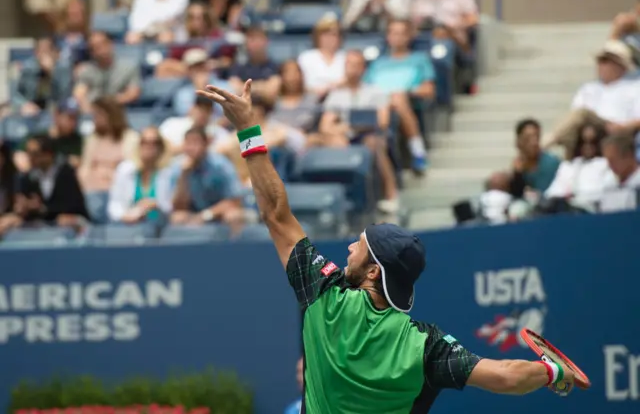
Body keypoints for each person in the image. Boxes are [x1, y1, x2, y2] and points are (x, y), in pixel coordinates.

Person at [197, 79, 576, 412]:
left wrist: (248, 128)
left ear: (374, 270)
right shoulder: (424, 345)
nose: (348, 247)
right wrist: (552, 371)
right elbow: (507, 376)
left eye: (359, 245)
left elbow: (276, 214)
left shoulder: (324, 294)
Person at [321, 50, 399, 213]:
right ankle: (344, 199)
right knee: (333, 141)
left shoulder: (376, 92)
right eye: (349, 64)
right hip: (346, 136)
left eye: (357, 65)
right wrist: (344, 129)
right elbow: (325, 126)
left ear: (363, 69)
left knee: (373, 144)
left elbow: (382, 121)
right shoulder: (336, 95)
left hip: (371, 135)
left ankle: (391, 195)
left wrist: (353, 126)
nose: (352, 69)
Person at [364, 19, 432, 174]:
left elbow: (429, 90)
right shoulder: (377, 64)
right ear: (388, 36)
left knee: (398, 97)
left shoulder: (420, 60)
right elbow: (365, 88)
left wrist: (408, 91)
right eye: (394, 33)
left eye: (402, 33)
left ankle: (418, 152)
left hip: (403, 100)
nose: (398, 37)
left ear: (409, 36)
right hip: (375, 102)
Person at [170, 127, 243, 226]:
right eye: (188, 143)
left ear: (205, 145)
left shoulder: (220, 165)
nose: (191, 148)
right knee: (177, 217)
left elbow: (234, 201)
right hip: (193, 214)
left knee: (233, 216)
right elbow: (177, 207)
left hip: (218, 213)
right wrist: (184, 175)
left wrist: (205, 215)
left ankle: (233, 242)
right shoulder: (178, 167)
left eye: (195, 143)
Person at [17, 134, 88, 227]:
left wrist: (44, 208)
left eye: (35, 154)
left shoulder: (65, 173)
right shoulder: (28, 177)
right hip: (39, 221)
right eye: (28, 153)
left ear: (48, 154)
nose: (30, 158)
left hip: (66, 218)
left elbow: (73, 204)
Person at [108, 127, 174, 224]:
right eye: (144, 142)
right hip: (129, 226)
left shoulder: (169, 172)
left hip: (161, 227)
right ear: (138, 145)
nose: (149, 146)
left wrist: (156, 205)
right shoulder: (124, 170)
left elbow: (172, 206)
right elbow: (115, 204)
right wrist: (125, 216)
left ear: (161, 147)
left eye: (154, 143)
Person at [544, 123, 611, 207]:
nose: (587, 147)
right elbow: (552, 193)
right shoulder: (567, 166)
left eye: (592, 142)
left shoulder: (605, 164)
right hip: (565, 209)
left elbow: (602, 193)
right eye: (583, 142)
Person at [73, 31, 142, 111]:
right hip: (93, 111)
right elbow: (79, 94)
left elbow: (133, 93)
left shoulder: (128, 67)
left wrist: (109, 104)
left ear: (111, 44)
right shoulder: (86, 70)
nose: (102, 50)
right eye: (96, 48)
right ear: (91, 53)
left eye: (104, 44)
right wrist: (90, 111)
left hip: (119, 111)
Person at [510, 118, 561, 198]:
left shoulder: (551, 164)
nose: (534, 142)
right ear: (518, 142)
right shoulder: (519, 165)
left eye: (537, 137)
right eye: (528, 138)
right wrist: (517, 175)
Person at [298, 16, 346, 97]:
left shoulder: (345, 57)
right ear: (317, 37)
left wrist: (330, 88)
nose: (330, 39)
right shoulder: (306, 57)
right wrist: (315, 91)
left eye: (334, 35)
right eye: (325, 35)